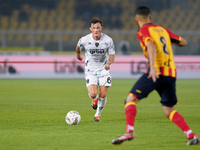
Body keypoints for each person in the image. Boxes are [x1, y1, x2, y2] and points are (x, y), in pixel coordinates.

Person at [112, 6, 199, 145]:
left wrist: (152, 66)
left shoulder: (143, 30)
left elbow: (150, 44)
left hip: (156, 72)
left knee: (130, 99)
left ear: (136, 19)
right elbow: (183, 42)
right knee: (168, 109)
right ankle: (191, 136)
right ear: (150, 18)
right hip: (170, 73)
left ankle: (129, 132)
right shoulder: (162, 30)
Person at [76, 18, 115, 122]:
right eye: (94, 28)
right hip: (90, 70)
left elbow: (112, 55)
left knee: (103, 94)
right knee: (94, 94)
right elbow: (78, 46)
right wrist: (78, 55)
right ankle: (94, 99)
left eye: (98, 27)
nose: (96, 30)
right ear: (90, 29)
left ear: (101, 28)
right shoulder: (85, 39)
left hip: (103, 69)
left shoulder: (108, 40)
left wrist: (108, 63)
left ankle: (97, 114)